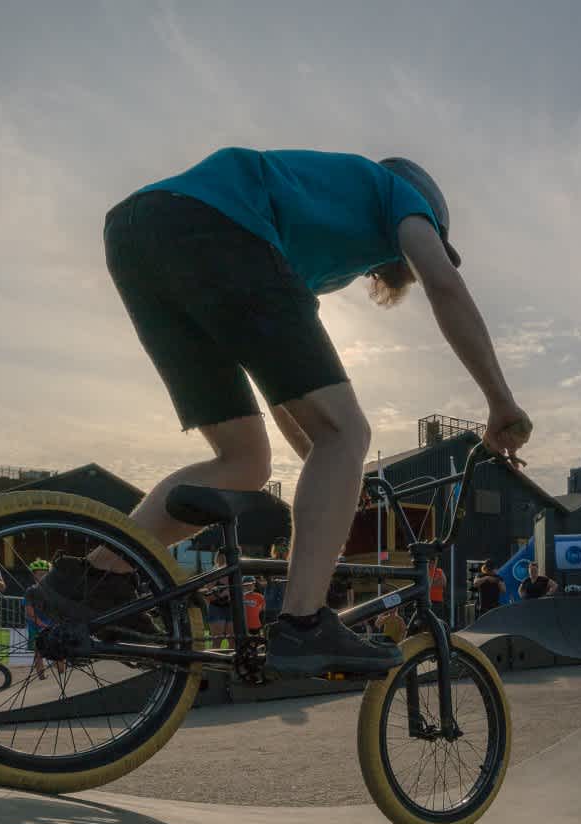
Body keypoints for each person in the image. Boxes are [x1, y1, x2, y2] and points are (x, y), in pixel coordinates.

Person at [34, 148, 531, 678]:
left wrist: (326, 461)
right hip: (212, 224)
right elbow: (445, 286)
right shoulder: (399, 195)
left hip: (137, 239)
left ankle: (91, 579)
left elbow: (283, 383)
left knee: (244, 463)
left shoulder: (303, 241)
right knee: (349, 431)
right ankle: (302, 623)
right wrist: (500, 400)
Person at [24, 559, 59, 680]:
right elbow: (29, 611)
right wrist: (41, 624)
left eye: (45, 574)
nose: (42, 576)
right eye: (39, 574)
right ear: (34, 575)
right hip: (36, 625)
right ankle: (42, 677)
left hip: (52, 624)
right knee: (38, 653)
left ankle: (61, 673)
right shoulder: (31, 591)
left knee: (59, 650)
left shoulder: (54, 590)